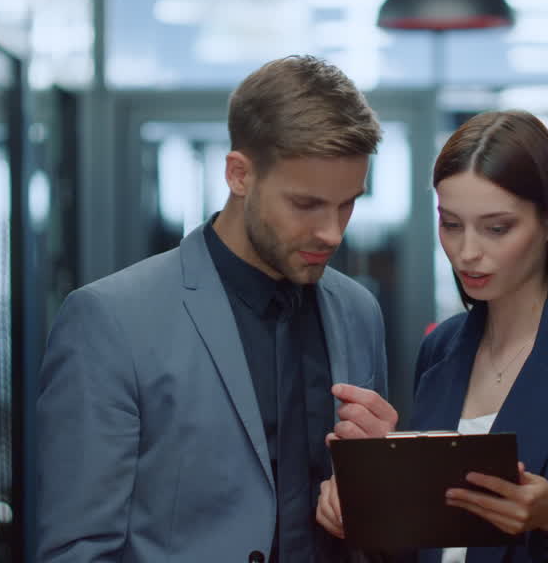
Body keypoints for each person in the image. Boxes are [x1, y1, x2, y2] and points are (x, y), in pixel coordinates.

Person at [36, 55, 396, 563]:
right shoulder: (110, 320)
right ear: (239, 174)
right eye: (307, 205)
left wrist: (390, 486)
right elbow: (78, 551)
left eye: (347, 204)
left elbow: (373, 533)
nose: (332, 232)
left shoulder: (359, 312)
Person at [318, 110, 548, 562]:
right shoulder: (442, 350)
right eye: (451, 224)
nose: (467, 252)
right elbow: (434, 549)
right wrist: (371, 497)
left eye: (497, 228)